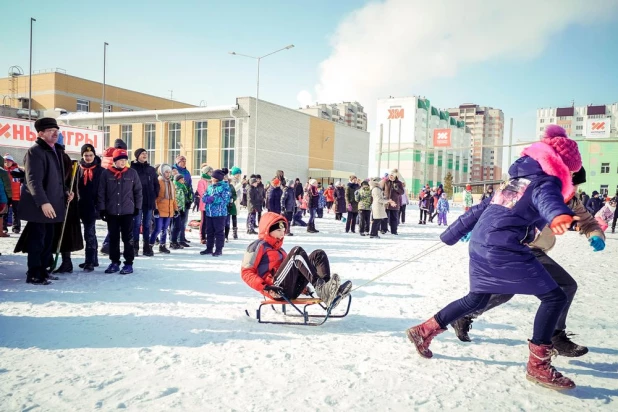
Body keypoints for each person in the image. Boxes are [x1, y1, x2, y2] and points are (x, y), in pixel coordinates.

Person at [406, 125, 583, 390]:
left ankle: (423, 331)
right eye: (569, 170)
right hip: (504, 246)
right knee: (554, 296)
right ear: (562, 165)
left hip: (481, 244)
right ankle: (538, 366)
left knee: (476, 298)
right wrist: (558, 215)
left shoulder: (516, 181)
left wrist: (451, 234)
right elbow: (548, 200)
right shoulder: (546, 181)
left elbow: (481, 208)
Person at [450, 166, 604, 359]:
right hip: (515, 246)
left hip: (534, 248)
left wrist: (596, 235)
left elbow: (589, 222)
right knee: (565, 285)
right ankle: (554, 336)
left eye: (577, 186)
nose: (574, 189)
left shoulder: (571, 202)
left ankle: (465, 315)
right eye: (573, 184)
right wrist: (476, 228)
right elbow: (497, 207)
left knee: (505, 292)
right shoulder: (533, 189)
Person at [241, 212, 352, 306]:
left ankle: (328, 289)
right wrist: (266, 287)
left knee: (318, 255)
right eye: (279, 230)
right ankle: (321, 288)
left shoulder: (280, 250)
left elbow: (289, 272)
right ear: (268, 230)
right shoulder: (257, 246)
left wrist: (302, 288)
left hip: (288, 288)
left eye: (284, 230)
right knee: (296, 253)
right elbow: (246, 273)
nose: (282, 233)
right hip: (276, 289)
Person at [16, 118, 71, 284]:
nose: (55, 133)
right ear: (40, 133)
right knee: (37, 240)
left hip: (53, 204)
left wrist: (66, 191)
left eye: (56, 130)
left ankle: (44, 269)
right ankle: (34, 273)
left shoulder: (54, 150)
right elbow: (33, 180)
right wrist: (43, 202)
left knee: (48, 240)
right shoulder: (36, 151)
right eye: (50, 131)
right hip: (40, 207)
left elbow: (57, 179)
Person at [98, 149, 143, 274]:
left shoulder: (132, 173)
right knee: (113, 238)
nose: (123, 163)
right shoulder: (106, 174)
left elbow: (138, 191)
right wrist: (102, 208)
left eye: (125, 160)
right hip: (111, 211)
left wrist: (137, 207)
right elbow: (101, 192)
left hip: (127, 211)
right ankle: (114, 262)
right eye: (120, 160)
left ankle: (128, 263)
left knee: (127, 238)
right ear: (115, 161)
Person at [77, 144, 103, 272]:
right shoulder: (77, 169)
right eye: (85, 155)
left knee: (89, 234)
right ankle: (94, 259)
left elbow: (103, 190)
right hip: (80, 204)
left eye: (90, 155)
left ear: (94, 155)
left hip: (92, 206)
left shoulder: (100, 170)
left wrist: (100, 207)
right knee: (89, 233)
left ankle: (90, 261)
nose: (88, 158)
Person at [131, 148, 160, 257]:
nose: (145, 155)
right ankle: (135, 247)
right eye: (142, 153)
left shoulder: (151, 169)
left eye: (146, 153)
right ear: (137, 155)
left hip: (149, 201)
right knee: (136, 224)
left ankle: (146, 248)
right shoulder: (132, 168)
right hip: (137, 202)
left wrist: (154, 194)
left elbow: (156, 184)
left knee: (147, 225)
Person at [200, 169, 231, 256]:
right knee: (209, 231)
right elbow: (204, 196)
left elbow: (225, 199)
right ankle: (209, 248)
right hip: (209, 213)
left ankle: (218, 249)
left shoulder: (225, 187)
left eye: (213, 177)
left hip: (219, 214)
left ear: (217, 178)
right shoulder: (210, 187)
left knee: (219, 232)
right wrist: (206, 199)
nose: (211, 178)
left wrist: (214, 199)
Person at [150, 164, 177, 254]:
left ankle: (162, 245)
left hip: (169, 210)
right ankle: (150, 245)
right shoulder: (158, 181)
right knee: (158, 228)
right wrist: (155, 208)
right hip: (160, 209)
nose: (168, 174)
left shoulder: (171, 183)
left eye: (169, 172)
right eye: (166, 172)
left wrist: (175, 209)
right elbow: (154, 197)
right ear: (161, 172)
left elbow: (173, 198)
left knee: (164, 229)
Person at [172, 155, 193, 245]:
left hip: (186, 198)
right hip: (178, 200)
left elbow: (189, 185)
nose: (184, 162)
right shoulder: (174, 170)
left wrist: (191, 197)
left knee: (184, 220)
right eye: (182, 161)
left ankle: (182, 237)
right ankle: (176, 239)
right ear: (178, 162)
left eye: (185, 161)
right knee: (177, 221)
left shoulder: (187, 172)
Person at [3, 154, 22, 233]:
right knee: (4, 212)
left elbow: (23, 181)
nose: (7, 162)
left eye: (9, 161)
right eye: (6, 161)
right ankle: (4, 228)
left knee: (16, 212)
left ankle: (16, 227)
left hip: (16, 195)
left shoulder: (17, 170)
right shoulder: (2, 170)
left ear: (12, 162)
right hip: (5, 195)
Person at [170, 174, 189, 249]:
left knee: (178, 226)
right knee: (175, 226)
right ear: (178, 180)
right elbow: (177, 199)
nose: (183, 181)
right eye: (182, 179)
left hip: (181, 208)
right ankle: (173, 241)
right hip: (176, 209)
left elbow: (182, 198)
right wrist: (178, 208)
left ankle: (175, 241)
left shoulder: (182, 187)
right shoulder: (176, 187)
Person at [383, 169, 404, 234]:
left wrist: (397, 188)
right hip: (386, 202)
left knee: (394, 218)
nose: (390, 176)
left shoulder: (399, 183)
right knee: (384, 217)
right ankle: (384, 229)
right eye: (390, 175)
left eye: (392, 175)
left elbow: (402, 192)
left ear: (395, 176)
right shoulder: (386, 182)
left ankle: (394, 230)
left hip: (394, 203)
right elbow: (381, 190)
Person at [197, 165, 213, 244]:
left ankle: (209, 236)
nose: (211, 173)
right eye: (210, 172)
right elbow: (201, 192)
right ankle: (202, 237)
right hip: (205, 204)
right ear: (206, 172)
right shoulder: (202, 181)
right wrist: (208, 198)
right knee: (204, 221)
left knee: (210, 221)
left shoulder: (211, 181)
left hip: (212, 204)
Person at [229, 166, 243, 239]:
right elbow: (233, 189)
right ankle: (231, 232)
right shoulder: (231, 180)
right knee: (231, 216)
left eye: (239, 174)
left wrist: (241, 198)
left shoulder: (237, 180)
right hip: (232, 200)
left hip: (237, 200)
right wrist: (240, 183)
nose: (238, 175)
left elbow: (240, 191)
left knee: (235, 216)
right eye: (237, 174)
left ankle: (235, 232)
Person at [0, 155, 12, 236]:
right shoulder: (3, 172)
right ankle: (0, 232)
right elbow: (7, 186)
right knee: (0, 215)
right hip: (2, 198)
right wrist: (10, 197)